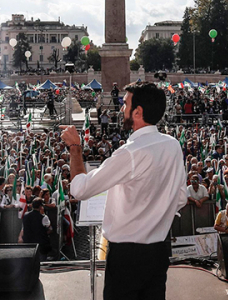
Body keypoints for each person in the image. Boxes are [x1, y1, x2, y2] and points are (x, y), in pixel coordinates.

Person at [61, 81, 187, 300]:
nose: (121, 109)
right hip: (159, 252)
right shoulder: (173, 145)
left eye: (125, 104)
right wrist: (154, 215)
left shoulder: (129, 154)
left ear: (137, 112)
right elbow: (181, 198)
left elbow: (79, 190)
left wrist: (75, 148)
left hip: (127, 257)